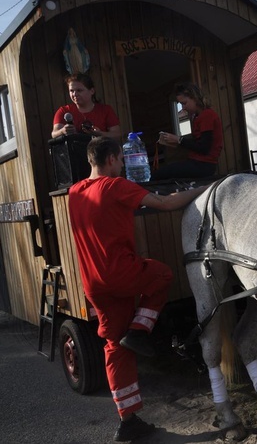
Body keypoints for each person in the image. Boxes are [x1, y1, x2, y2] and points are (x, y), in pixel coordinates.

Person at [68, 136, 209, 441]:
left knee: (114, 346)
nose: (123, 164)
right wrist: (204, 190)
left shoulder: (74, 192)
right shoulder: (115, 186)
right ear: (110, 160)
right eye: (120, 159)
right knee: (162, 275)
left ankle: (128, 419)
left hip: (93, 283)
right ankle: (140, 331)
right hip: (120, 273)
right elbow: (166, 203)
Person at [153, 83, 223, 180]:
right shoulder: (197, 117)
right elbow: (196, 142)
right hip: (197, 162)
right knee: (165, 170)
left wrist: (179, 140)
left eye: (184, 103)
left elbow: (204, 148)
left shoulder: (207, 115)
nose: (183, 108)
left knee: (159, 175)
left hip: (204, 165)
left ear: (195, 98)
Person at [51, 73, 121, 139]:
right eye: (71, 91)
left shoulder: (105, 110)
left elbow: (117, 134)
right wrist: (62, 131)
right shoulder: (63, 111)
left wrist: (100, 133)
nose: (74, 94)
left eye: (79, 90)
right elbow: (54, 134)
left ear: (92, 91)